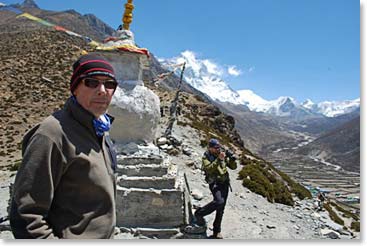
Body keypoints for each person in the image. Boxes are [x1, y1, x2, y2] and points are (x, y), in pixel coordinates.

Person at [9, 54, 119, 239]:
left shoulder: (98, 129)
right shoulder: (52, 135)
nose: (102, 90)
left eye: (109, 84)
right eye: (91, 82)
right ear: (75, 88)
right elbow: (27, 217)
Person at [194, 138, 237, 239]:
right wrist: (219, 159)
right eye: (216, 148)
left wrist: (232, 159)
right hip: (215, 183)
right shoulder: (206, 156)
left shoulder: (221, 154)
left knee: (221, 209)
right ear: (210, 148)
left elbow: (233, 167)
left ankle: (216, 231)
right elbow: (208, 169)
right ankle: (199, 213)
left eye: (219, 147)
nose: (218, 149)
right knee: (218, 201)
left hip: (225, 183)